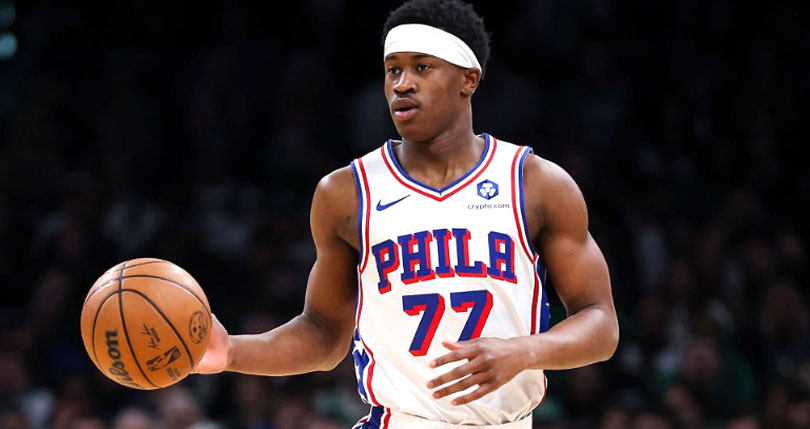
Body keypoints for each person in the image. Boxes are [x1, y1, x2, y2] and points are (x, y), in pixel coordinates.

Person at [194, 0, 619, 427]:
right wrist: (231, 352)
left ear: (468, 79)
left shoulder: (535, 183)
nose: (402, 84)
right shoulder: (346, 193)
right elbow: (323, 333)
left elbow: (600, 323)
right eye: (393, 70)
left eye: (422, 67)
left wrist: (525, 351)